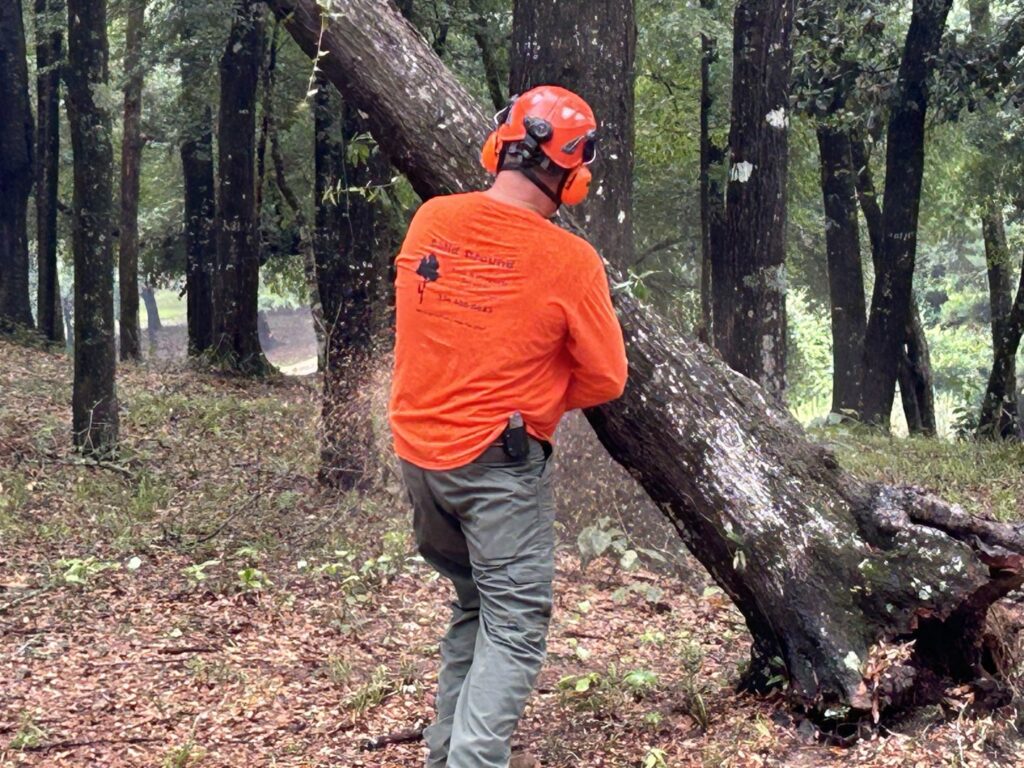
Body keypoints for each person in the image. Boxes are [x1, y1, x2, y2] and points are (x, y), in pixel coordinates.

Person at [389, 84, 629, 768]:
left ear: (502, 146)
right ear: (574, 171)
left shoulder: (431, 220)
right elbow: (608, 378)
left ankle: (445, 757)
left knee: (475, 604)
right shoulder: (570, 262)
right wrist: (545, 395)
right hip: (496, 468)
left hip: (418, 458)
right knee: (516, 625)